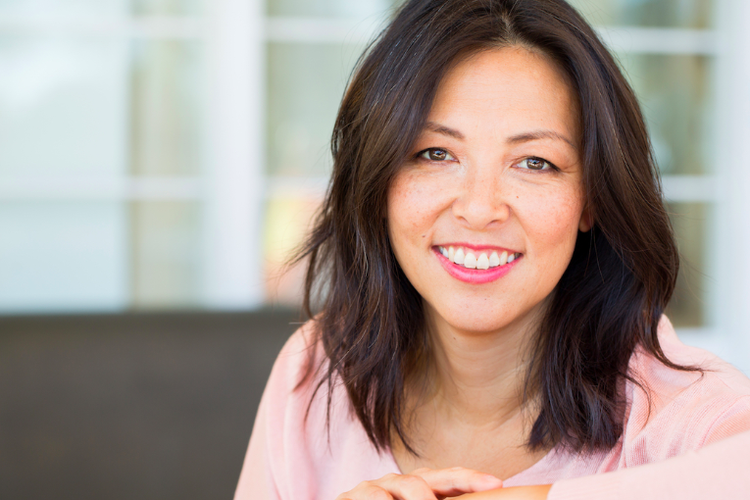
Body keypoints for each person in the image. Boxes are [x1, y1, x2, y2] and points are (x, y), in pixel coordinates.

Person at [235, 0, 750, 499]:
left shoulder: (685, 415)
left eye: (534, 162)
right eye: (435, 154)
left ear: (591, 198)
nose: (480, 209)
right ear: (379, 182)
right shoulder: (318, 369)